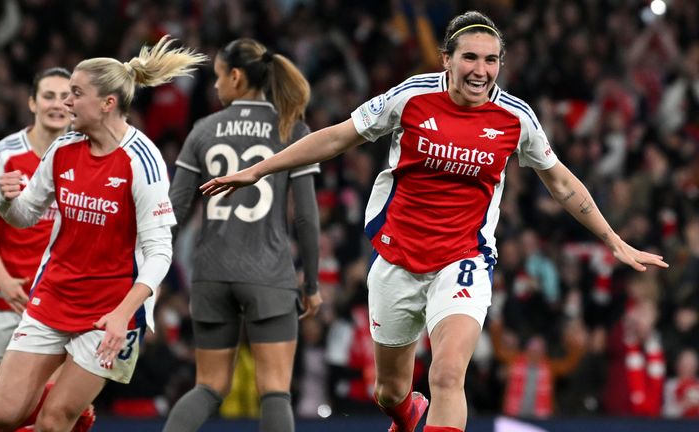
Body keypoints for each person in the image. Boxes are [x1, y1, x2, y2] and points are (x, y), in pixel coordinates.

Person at [201, 11, 669, 432]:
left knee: (447, 373)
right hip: (398, 257)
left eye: (491, 60)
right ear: (446, 58)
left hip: (464, 258)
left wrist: (612, 239)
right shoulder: (410, 97)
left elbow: (561, 183)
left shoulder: (515, 117)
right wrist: (261, 169)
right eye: (469, 57)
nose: (480, 71)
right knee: (389, 392)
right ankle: (406, 414)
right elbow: (339, 137)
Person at [0, 35, 206, 432]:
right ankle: (76, 410)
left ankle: (70, 412)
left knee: (54, 422)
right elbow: (24, 216)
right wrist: (5, 202)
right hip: (54, 294)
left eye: (75, 93)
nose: (64, 103)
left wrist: (123, 314)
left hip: (111, 311)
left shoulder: (143, 160)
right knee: (3, 415)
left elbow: (160, 252)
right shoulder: (63, 148)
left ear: (107, 103)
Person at [162, 38, 321, 432]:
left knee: (209, 387)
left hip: (211, 274)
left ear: (235, 76)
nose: (215, 86)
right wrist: (312, 284)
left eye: (217, 76)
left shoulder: (203, 129)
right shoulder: (292, 128)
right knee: (275, 392)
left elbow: (175, 210)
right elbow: (305, 217)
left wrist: (149, 277)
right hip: (269, 276)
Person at [0, 67, 70, 387]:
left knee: (53, 406)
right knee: (4, 407)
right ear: (32, 103)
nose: (57, 104)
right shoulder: (4, 154)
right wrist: (4, 281)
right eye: (48, 96)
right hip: (2, 295)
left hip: (59, 298)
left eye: (65, 97)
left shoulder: (84, 155)